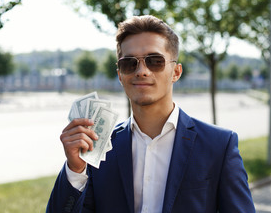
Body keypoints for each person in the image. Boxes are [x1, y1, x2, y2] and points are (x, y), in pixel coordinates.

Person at [46, 15, 255, 213]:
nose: (142, 71)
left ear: (176, 72)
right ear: (120, 75)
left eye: (154, 61)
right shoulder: (98, 146)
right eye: (130, 63)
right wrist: (74, 169)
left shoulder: (219, 145)